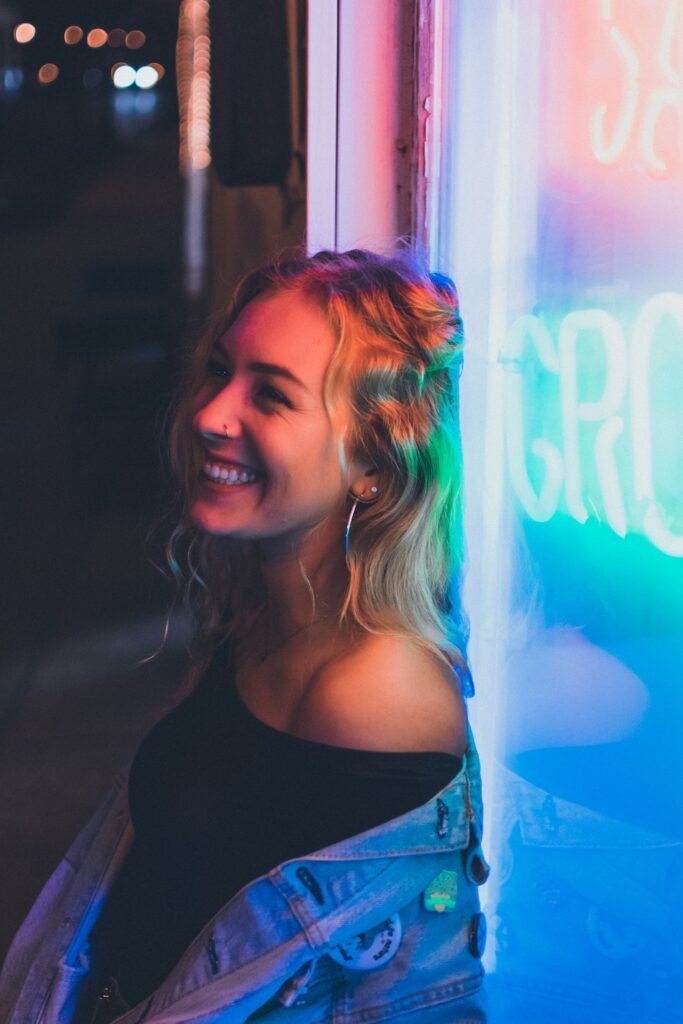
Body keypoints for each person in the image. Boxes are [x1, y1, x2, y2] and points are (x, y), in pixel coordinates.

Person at [0, 248, 489, 1024]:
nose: (208, 415)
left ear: (372, 459)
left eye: (272, 395)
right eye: (220, 372)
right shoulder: (255, 619)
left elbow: (400, 999)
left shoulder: (375, 691)